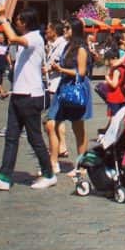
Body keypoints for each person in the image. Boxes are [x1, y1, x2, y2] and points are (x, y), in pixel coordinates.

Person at [0, 9, 56, 191]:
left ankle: (49, 174)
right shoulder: (28, 39)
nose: (16, 22)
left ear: (26, 22)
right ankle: (4, 177)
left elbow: (13, 38)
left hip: (30, 96)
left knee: (34, 138)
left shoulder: (36, 38)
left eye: (19, 20)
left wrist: (1, 19)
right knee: (11, 137)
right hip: (18, 94)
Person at [49, 19, 92, 178]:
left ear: (74, 30)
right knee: (51, 122)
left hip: (76, 90)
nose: (64, 30)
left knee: (78, 129)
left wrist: (61, 69)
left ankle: (82, 165)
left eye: (67, 28)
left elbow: (81, 73)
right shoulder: (67, 46)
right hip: (64, 87)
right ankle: (52, 162)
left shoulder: (81, 49)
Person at [43, 21, 69, 172]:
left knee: (50, 122)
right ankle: (61, 147)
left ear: (54, 31)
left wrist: (49, 67)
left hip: (57, 85)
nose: (46, 31)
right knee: (58, 120)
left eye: (48, 29)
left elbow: (61, 63)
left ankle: (53, 158)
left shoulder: (62, 45)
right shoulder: (55, 44)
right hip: (53, 84)